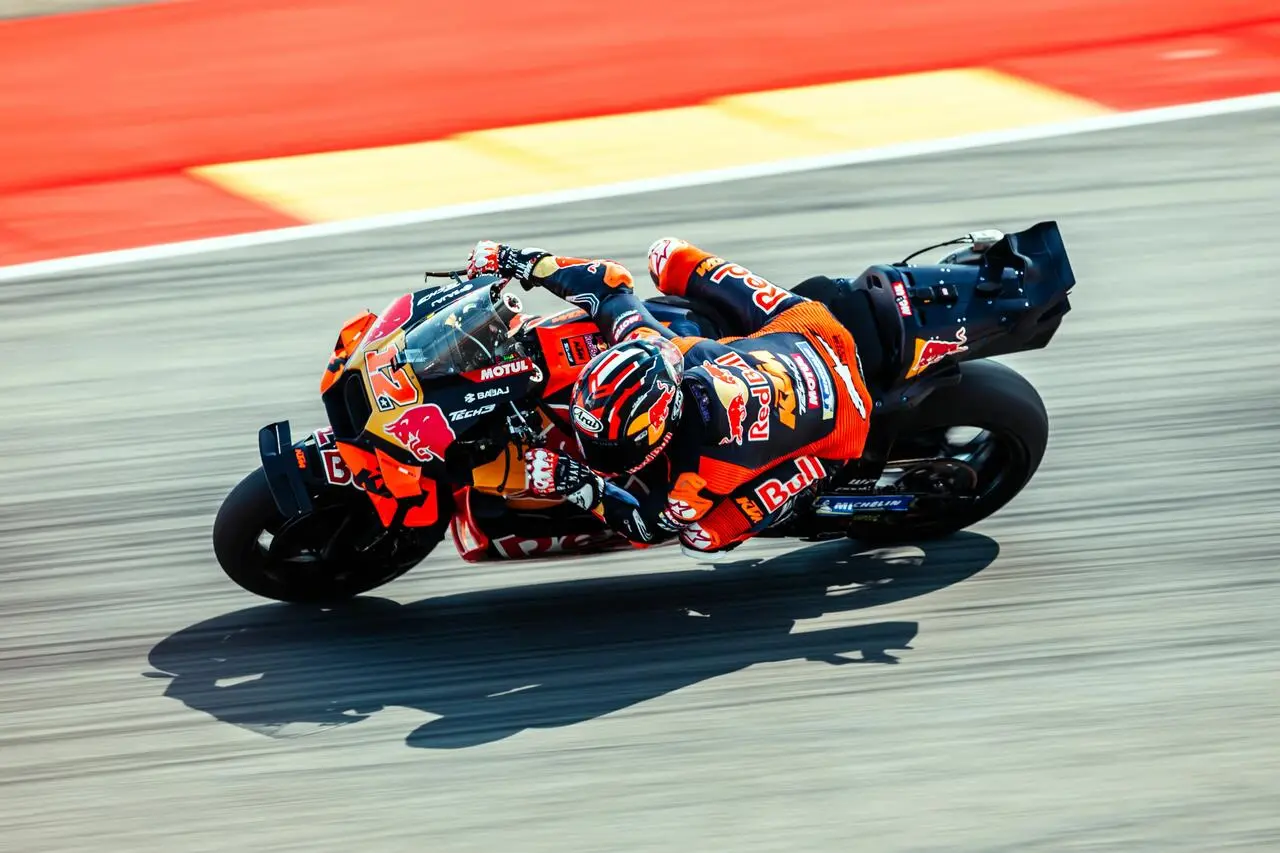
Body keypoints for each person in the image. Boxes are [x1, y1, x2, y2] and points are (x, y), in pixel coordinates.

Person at [465, 238, 874, 556]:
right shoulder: (664, 349)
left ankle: (809, 493)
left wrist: (574, 481)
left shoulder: (695, 475)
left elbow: (646, 528)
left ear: (661, 428)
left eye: (612, 447)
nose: (596, 453)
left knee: (701, 538)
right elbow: (607, 284)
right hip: (810, 330)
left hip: (846, 418)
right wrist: (518, 260)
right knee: (668, 255)